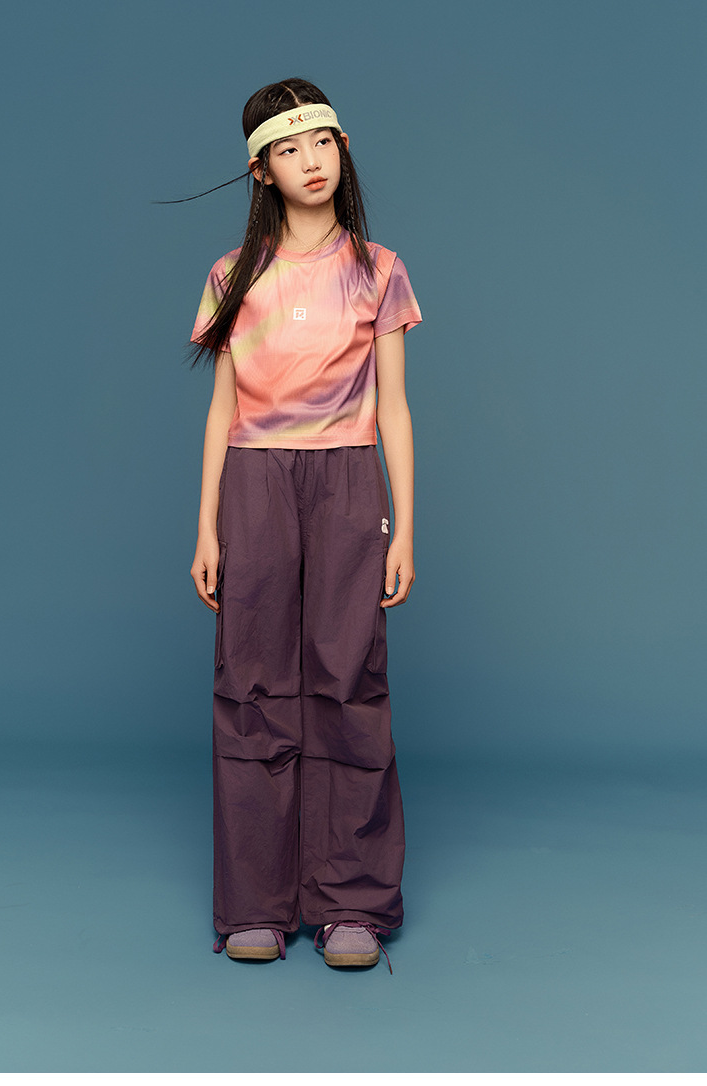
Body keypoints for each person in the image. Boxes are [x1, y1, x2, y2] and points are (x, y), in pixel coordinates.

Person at [187, 78, 421, 971]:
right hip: (254, 481)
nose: (310, 162)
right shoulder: (231, 276)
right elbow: (222, 409)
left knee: (348, 677)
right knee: (251, 680)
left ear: (343, 147)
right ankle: (255, 902)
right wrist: (206, 528)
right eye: (288, 149)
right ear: (261, 171)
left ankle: (350, 902)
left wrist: (405, 526)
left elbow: (394, 408)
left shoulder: (378, 269)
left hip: (348, 479)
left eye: (321, 142)